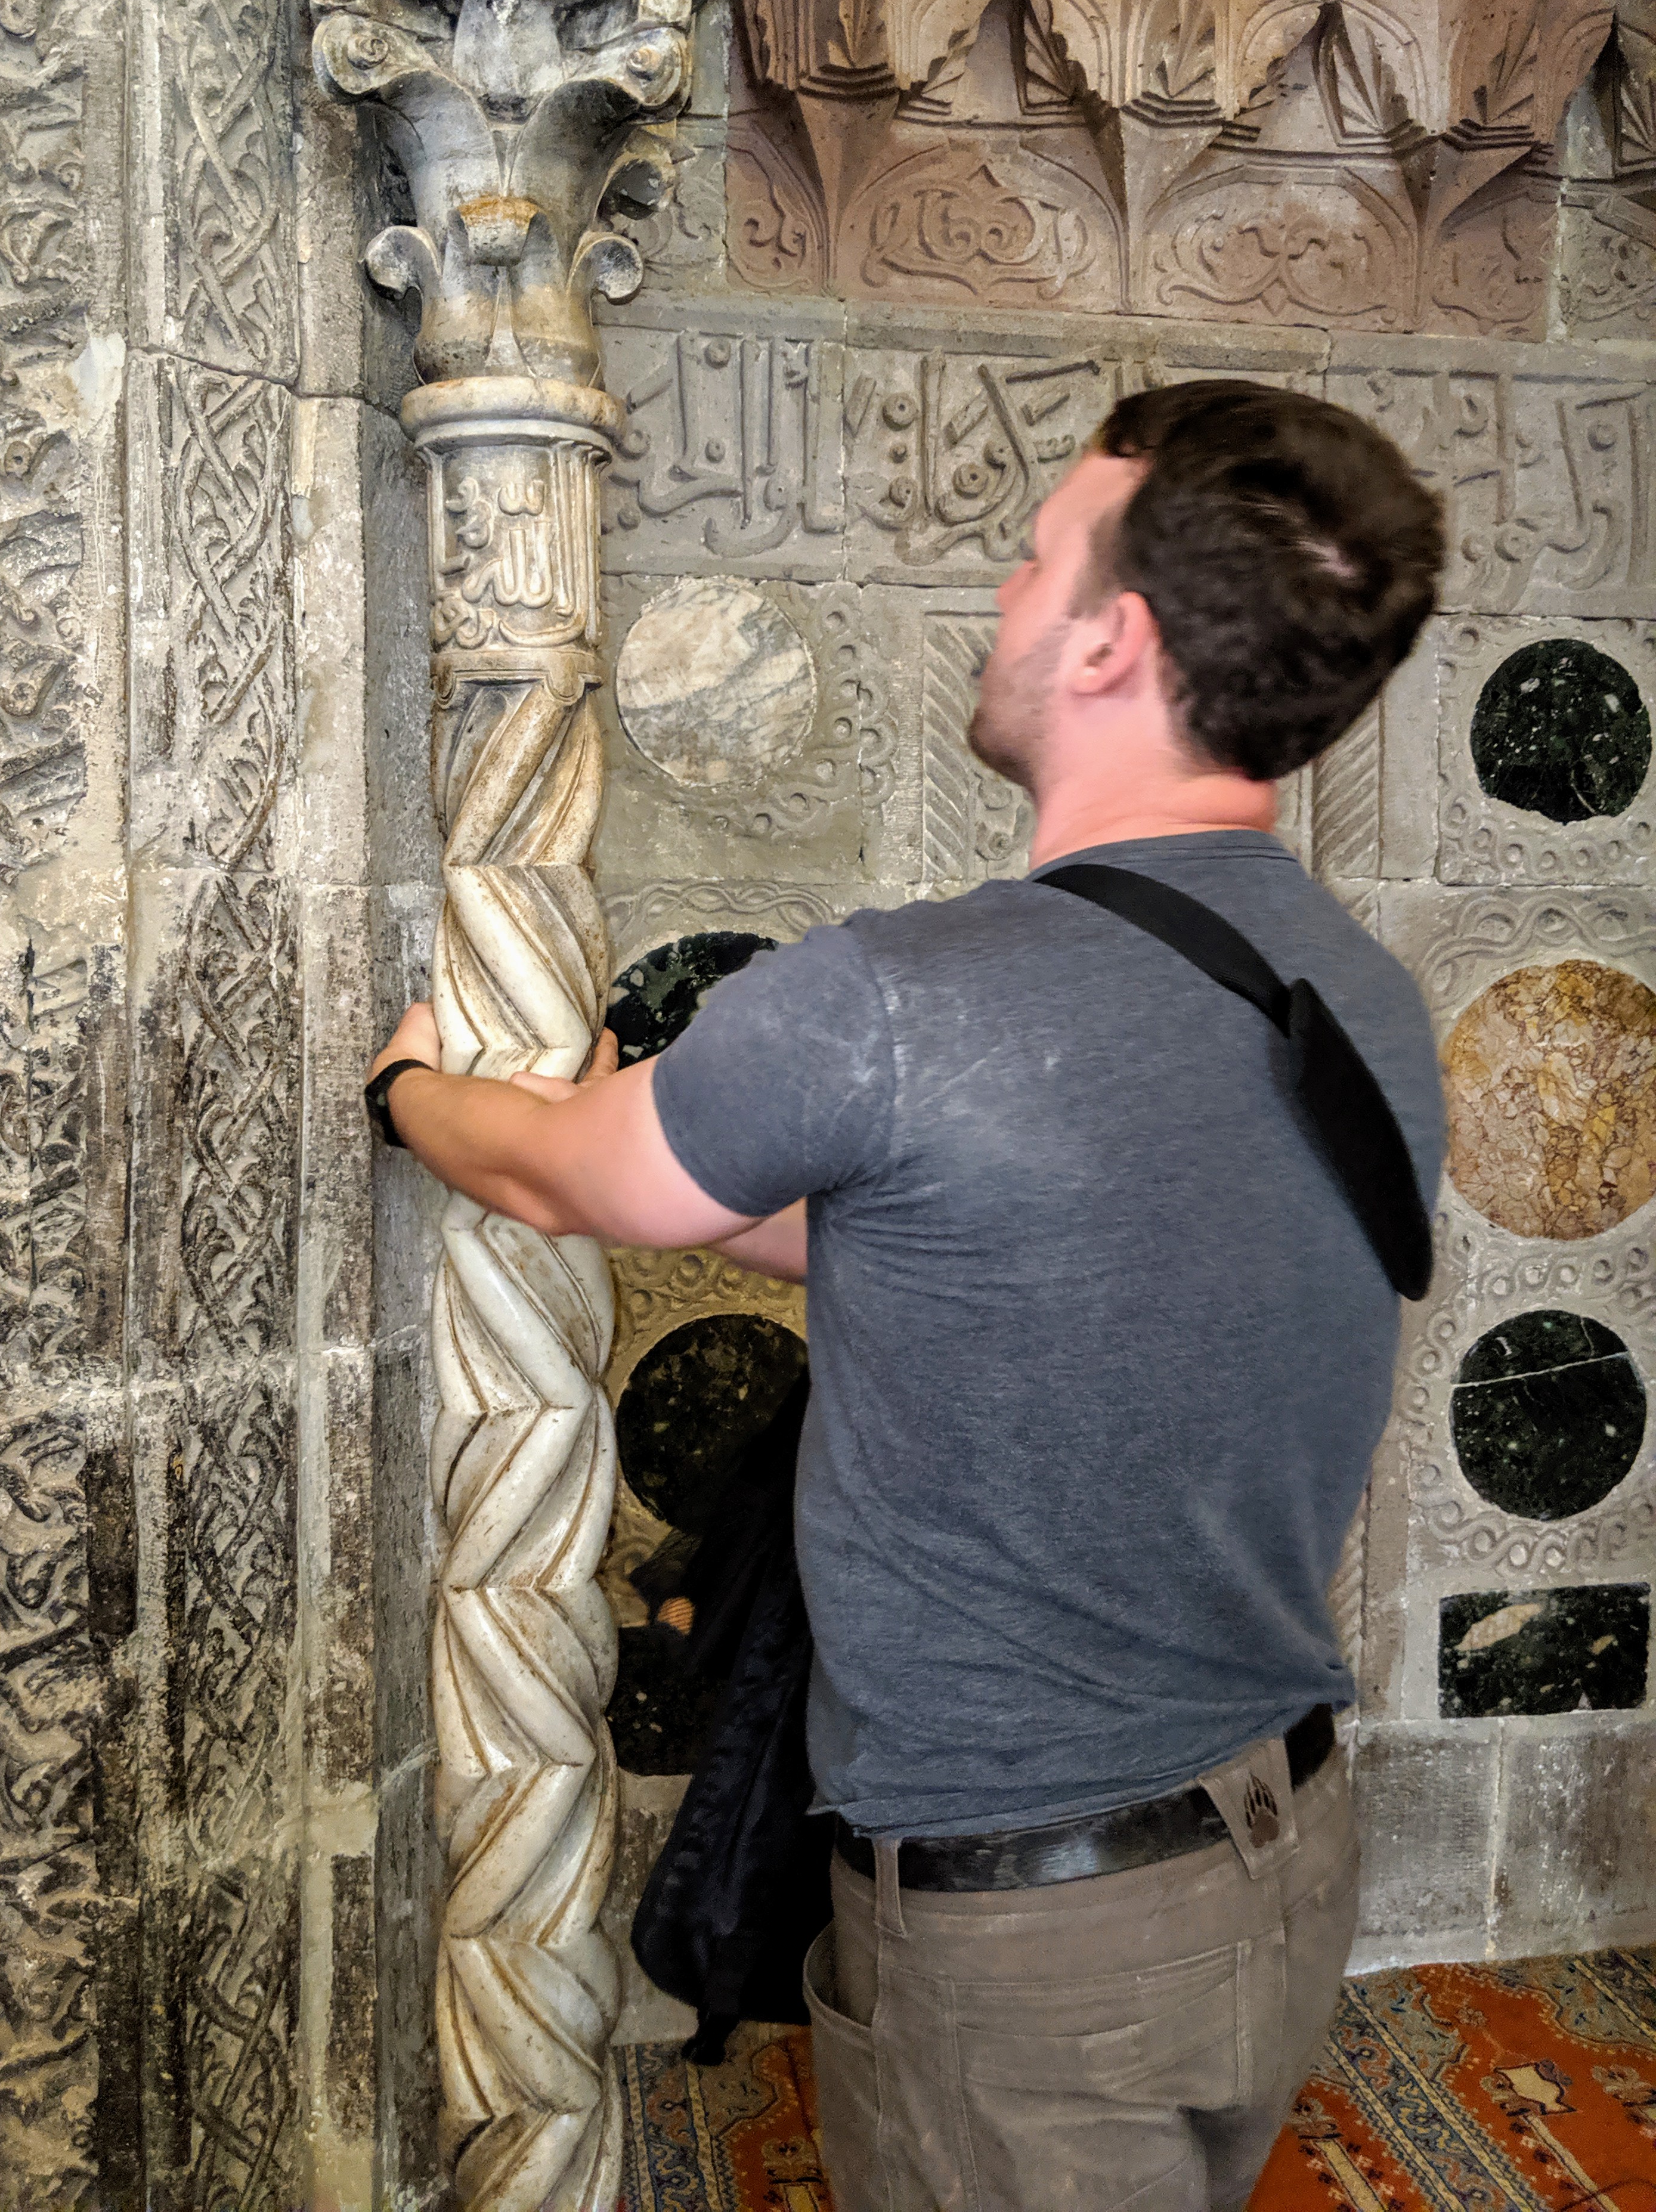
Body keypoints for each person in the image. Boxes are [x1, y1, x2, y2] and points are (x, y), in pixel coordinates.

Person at [364, 380, 1448, 2212]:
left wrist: (408, 1093)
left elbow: (561, 1175)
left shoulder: (896, 1000)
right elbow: (990, 1247)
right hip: (1281, 1854)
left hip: (1040, 1954)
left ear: (1109, 642)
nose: (1003, 600)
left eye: (1033, 564)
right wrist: (695, 1171)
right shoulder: (1363, 1003)